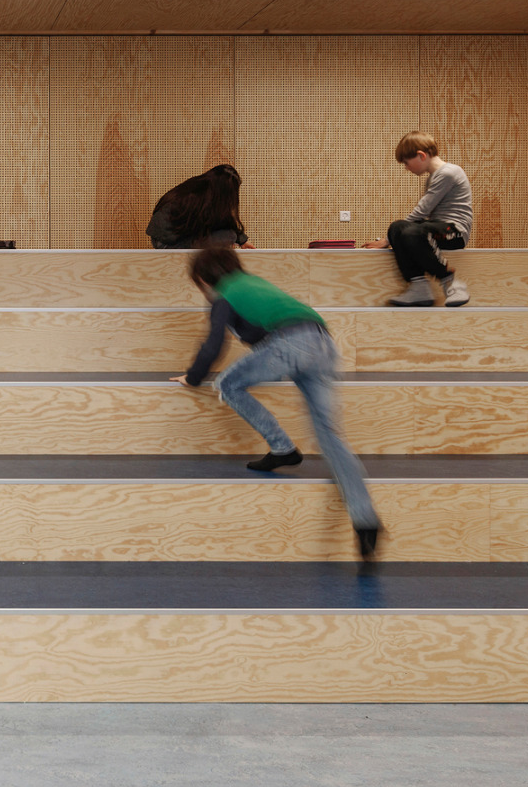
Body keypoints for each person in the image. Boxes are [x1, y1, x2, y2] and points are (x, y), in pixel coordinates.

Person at [172, 241, 381, 562]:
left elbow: (214, 345)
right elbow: (264, 329)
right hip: (324, 343)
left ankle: (282, 447)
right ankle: (365, 520)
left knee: (227, 383)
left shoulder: (224, 294)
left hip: (292, 345)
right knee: (329, 436)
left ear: (203, 279)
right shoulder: (253, 283)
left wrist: (193, 376)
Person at [362, 132, 473, 307]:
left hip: (454, 232)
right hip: (437, 228)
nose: (406, 168)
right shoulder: (434, 176)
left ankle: (450, 282)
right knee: (397, 227)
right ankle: (419, 286)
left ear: (421, 155)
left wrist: (387, 241)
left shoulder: (448, 173)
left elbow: (422, 210)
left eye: (406, 162)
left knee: (409, 230)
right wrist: (393, 236)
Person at [146, 163, 251, 249]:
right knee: (228, 236)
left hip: (167, 238)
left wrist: (242, 240)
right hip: (168, 243)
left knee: (228, 235)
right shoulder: (199, 200)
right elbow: (220, 222)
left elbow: (222, 221)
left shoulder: (199, 189)